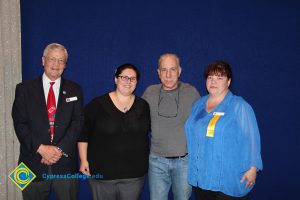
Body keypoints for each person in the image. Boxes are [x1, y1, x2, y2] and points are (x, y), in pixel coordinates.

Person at [12, 43, 84, 199]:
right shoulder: (23, 89)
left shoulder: (75, 89)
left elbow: (78, 122)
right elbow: (19, 124)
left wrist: (58, 150)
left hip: (65, 164)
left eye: (61, 60)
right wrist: (41, 148)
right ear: (43, 61)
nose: (56, 64)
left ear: (65, 65)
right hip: (30, 162)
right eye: (52, 59)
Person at [185, 60, 263, 200]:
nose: (213, 81)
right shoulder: (198, 104)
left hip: (228, 178)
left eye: (219, 78)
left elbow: (251, 139)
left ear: (228, 82)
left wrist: (253, 168)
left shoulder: (239, 106)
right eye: (210, 77)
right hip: (201, 178)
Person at [78, 63, 150, 200]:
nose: (128, 82)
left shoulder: (143, 106)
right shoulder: (97, 105)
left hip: (134, 175)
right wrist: (83, 160)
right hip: (102, 174)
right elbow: (83, 133)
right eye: (124, 77)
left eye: (133, 78)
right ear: (116, 79)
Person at [142, 53, 200, 200]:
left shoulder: (191, 92)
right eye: (164, 70)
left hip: (184, 163)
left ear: (179, 71)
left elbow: (202, 124)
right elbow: (137, 120)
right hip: (156, 162)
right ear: (158, 72)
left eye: (172, 69)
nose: (168, 74)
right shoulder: (150, 92)